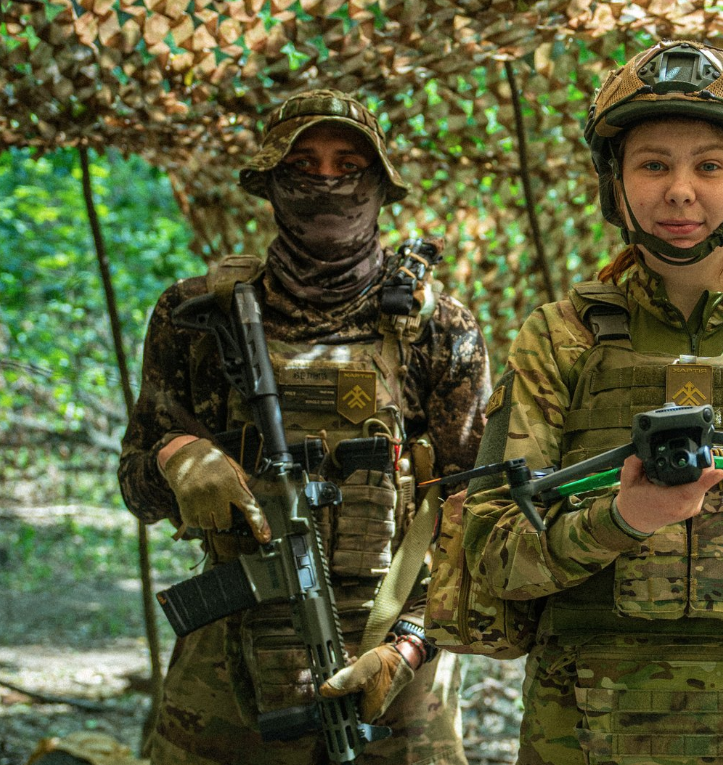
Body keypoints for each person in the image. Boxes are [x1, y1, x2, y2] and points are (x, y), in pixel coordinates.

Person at [459, 40, 723, 765]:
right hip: (583, 732)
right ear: (615, 183)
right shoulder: (559, 342)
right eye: (653, 164)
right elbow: (494, 556)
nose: (680, 191)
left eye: (709, 165)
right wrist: (622, 520)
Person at [117, 89, 490, 765]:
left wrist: (408, 645)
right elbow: (136, 485)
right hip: (231, 658)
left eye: (348, 166)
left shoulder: (438, 327)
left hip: (395, 666)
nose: (327, 183)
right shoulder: (196, 314)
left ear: (380, 185)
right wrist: (178, 458)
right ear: (270, 183)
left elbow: (479, 517)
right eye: (302, 167)